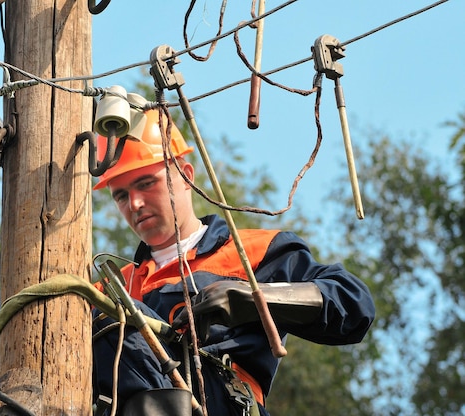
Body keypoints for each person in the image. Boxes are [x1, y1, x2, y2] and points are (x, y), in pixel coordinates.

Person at [91, 108, 375, 416]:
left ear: (186, 176)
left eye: (146, 183)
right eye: (121, 195)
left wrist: (250, 299)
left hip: (220, 401)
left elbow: (353, 304)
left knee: (120, 317)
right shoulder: (111, 285)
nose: (134, 203)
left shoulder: (253, 251)